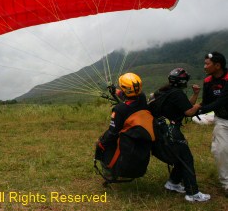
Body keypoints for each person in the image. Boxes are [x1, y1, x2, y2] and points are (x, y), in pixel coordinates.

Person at [153, 68, 210, 202]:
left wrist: (195, 94)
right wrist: (201, 104)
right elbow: (189, 112)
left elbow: (184, 107)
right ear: (183, 82)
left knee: (180, 157)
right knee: (186, 159)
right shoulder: (177, 93)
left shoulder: (163, 91)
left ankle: (173, 183)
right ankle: (193, 193)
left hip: (160, 129)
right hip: (170, 131)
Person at [96, 73, 154, 181]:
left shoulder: (120, 109)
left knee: (101, 143)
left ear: (124, 90)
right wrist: (116, 91)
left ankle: (109, 172)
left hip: (126, 140)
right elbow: (127, 95)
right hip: (140, 139)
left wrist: (101, 142)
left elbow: (112, 133)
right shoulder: (142, 98)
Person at [199, 52, 228, 196]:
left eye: (207, 64)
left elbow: (221, 100)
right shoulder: (207, 81)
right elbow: (206, 102)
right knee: (220, 150)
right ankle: (226, 184)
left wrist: (198, 110)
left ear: (218, 65)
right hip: (222, 120)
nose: (204, 67)